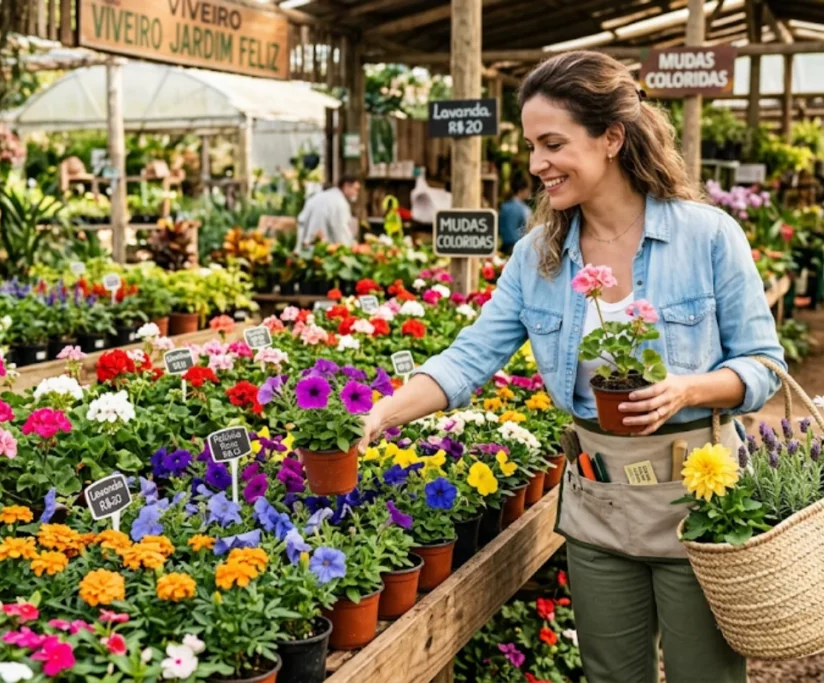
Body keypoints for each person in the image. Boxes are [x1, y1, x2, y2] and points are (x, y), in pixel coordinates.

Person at [360, 51, 784, 683]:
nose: (537, 164)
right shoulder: (538, 257)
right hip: (598, 504)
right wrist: (381, 414)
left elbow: (764, 366)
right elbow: (470, 357)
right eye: (532, 145)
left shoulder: (708, 236)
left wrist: (686, 388)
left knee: (706, 677)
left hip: (702, 501)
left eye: (553, 143)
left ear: (612, 137)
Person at [295, 175, 361, 253]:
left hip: (306, 249)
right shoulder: (340, 203)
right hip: (324, 253)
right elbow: (341, 231)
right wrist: (350, 251)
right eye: (355, 189)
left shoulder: (317, 197)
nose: (356, 193)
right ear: (346, 186)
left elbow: (301, 221)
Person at [498, 173, 533, 253]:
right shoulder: (525, 210)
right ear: (522, 190)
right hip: (520, 250)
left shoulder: (504, 207)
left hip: (504, 248)